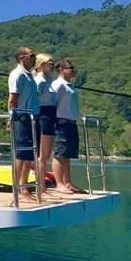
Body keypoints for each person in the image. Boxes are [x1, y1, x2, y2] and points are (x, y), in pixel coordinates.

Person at [8, 46, 40, 202]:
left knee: (28, 155)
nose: (34, 59)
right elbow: (13, 98)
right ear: (22, 57)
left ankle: (24, 187)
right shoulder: (18, 74)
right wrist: (11, 118)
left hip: (31, 117)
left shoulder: (29, 75)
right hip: (21, 117)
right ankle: (18, 190)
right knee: (20, 154)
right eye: (32, 55)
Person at [50, 58, 84, 194]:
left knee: (67, 154)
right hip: (61, 121)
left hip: (71, 121)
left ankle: (67, 182)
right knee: (59, 153)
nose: (73, 70)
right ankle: (59, 183)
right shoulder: (58, 85)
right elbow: (52, 103)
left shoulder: (70, 85)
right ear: (61, 70)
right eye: (70, 68)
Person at [34, 53, 57, 189]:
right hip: (43, 115)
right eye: (49, 63)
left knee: (46, 155)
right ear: (42, 64)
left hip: (50, 115)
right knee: (42, 155)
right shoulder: (40, 81)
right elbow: (35, 98)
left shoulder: (48, 80)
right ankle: (41, 186)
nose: (52, 66)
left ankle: (42, 184)